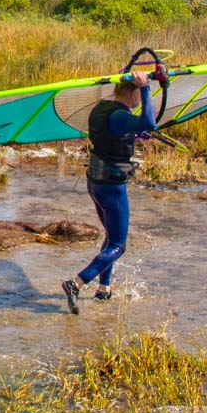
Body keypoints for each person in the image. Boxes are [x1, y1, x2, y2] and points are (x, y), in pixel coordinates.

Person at [62, 68, 159, 313]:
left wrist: (134, 132)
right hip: (112, 186)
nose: (139, 100)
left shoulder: (101, 109)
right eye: (138, 94)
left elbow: (119, 131)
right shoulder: (120, 115)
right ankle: (77, 282)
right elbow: (149, 122)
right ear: (132, 92)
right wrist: (147, 87)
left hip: (95, 182)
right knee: (118, 244)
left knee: (109, 235)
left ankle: (104, 289)